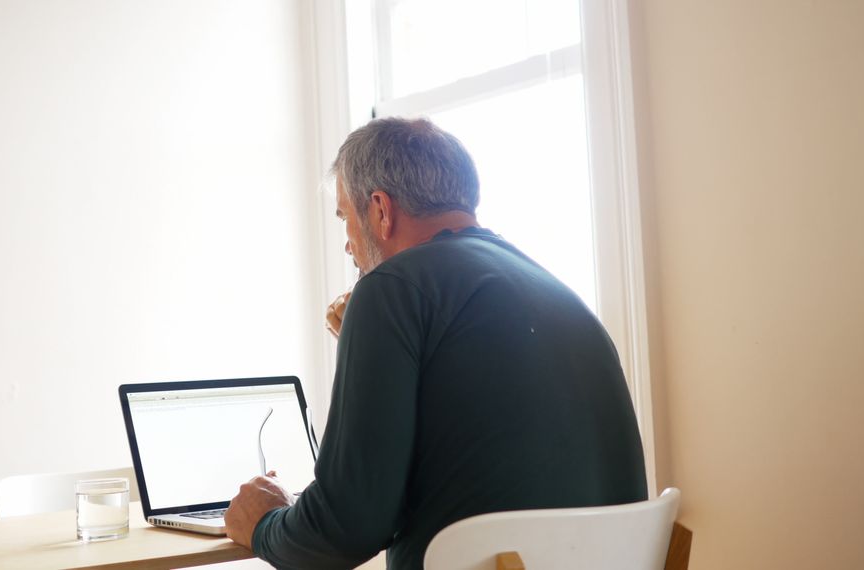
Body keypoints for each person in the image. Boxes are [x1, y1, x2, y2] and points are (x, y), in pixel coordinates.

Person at [224, 117, 647, 569]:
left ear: (381, 210)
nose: (348, 246)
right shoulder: (558, 292)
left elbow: (343, 528)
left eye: (346, 216)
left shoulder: (389, 288)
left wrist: (265, 522)